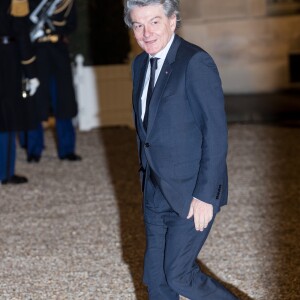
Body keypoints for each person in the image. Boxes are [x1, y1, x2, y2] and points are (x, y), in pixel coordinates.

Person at [123, 1, 238, 299]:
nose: (146, 33)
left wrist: (205, 195)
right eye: (138, 24)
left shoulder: (195, 63)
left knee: (179, 275)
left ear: (173, 21)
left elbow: (215, 133)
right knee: (156, 278)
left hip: (190, 193)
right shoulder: (139, 65)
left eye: (154, 22)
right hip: (154, 190)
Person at [20, 0, 81, 162]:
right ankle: (34, 150)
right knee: (35, 104)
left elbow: (72, 23)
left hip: (58, 53)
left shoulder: (65, 2)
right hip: (37, 54)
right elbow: (22, 24)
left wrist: (57, 29)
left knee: (64, 101)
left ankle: (67, 150)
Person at [0, 0, 40, 185]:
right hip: (7, 59)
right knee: (7, 118)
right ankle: (5, 173)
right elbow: (20, 32)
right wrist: (31, 73)